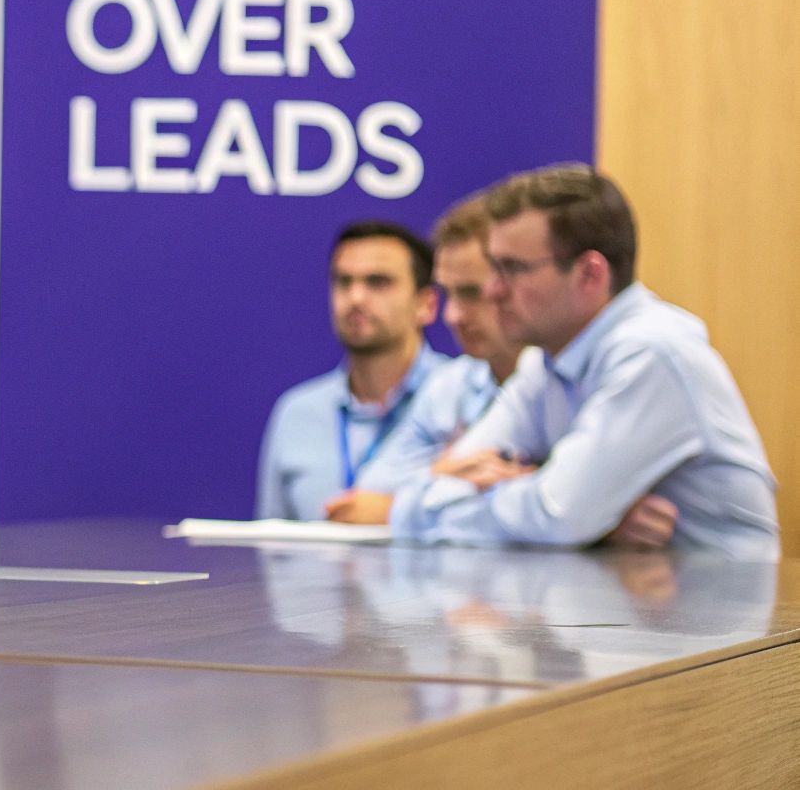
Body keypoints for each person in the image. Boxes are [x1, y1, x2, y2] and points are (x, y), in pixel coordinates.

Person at [389, 165, 780, 558]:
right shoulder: (544, 362)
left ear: (589, 274)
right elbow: (422, 499)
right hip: (626, 604)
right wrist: (587, 515)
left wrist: (572, 514)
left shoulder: (652, 353)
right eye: (495, 267)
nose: (492, 290)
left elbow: (558, 516)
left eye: (513, 269)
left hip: (721, 613)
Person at [325, 195, 530, 525]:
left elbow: (561, 512)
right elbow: (354, 508)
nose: (452, 316)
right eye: (449, 294)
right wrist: (444, 473)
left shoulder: (564, 379)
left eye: (472, 293)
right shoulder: (449, 387)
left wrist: (419, 498)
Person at [256, 221, 445, 521]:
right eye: (344, 282)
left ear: (427, 304)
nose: (355, 298)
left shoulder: (462, 396)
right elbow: (272, 552)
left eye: (378, 282)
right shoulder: (297, 411)